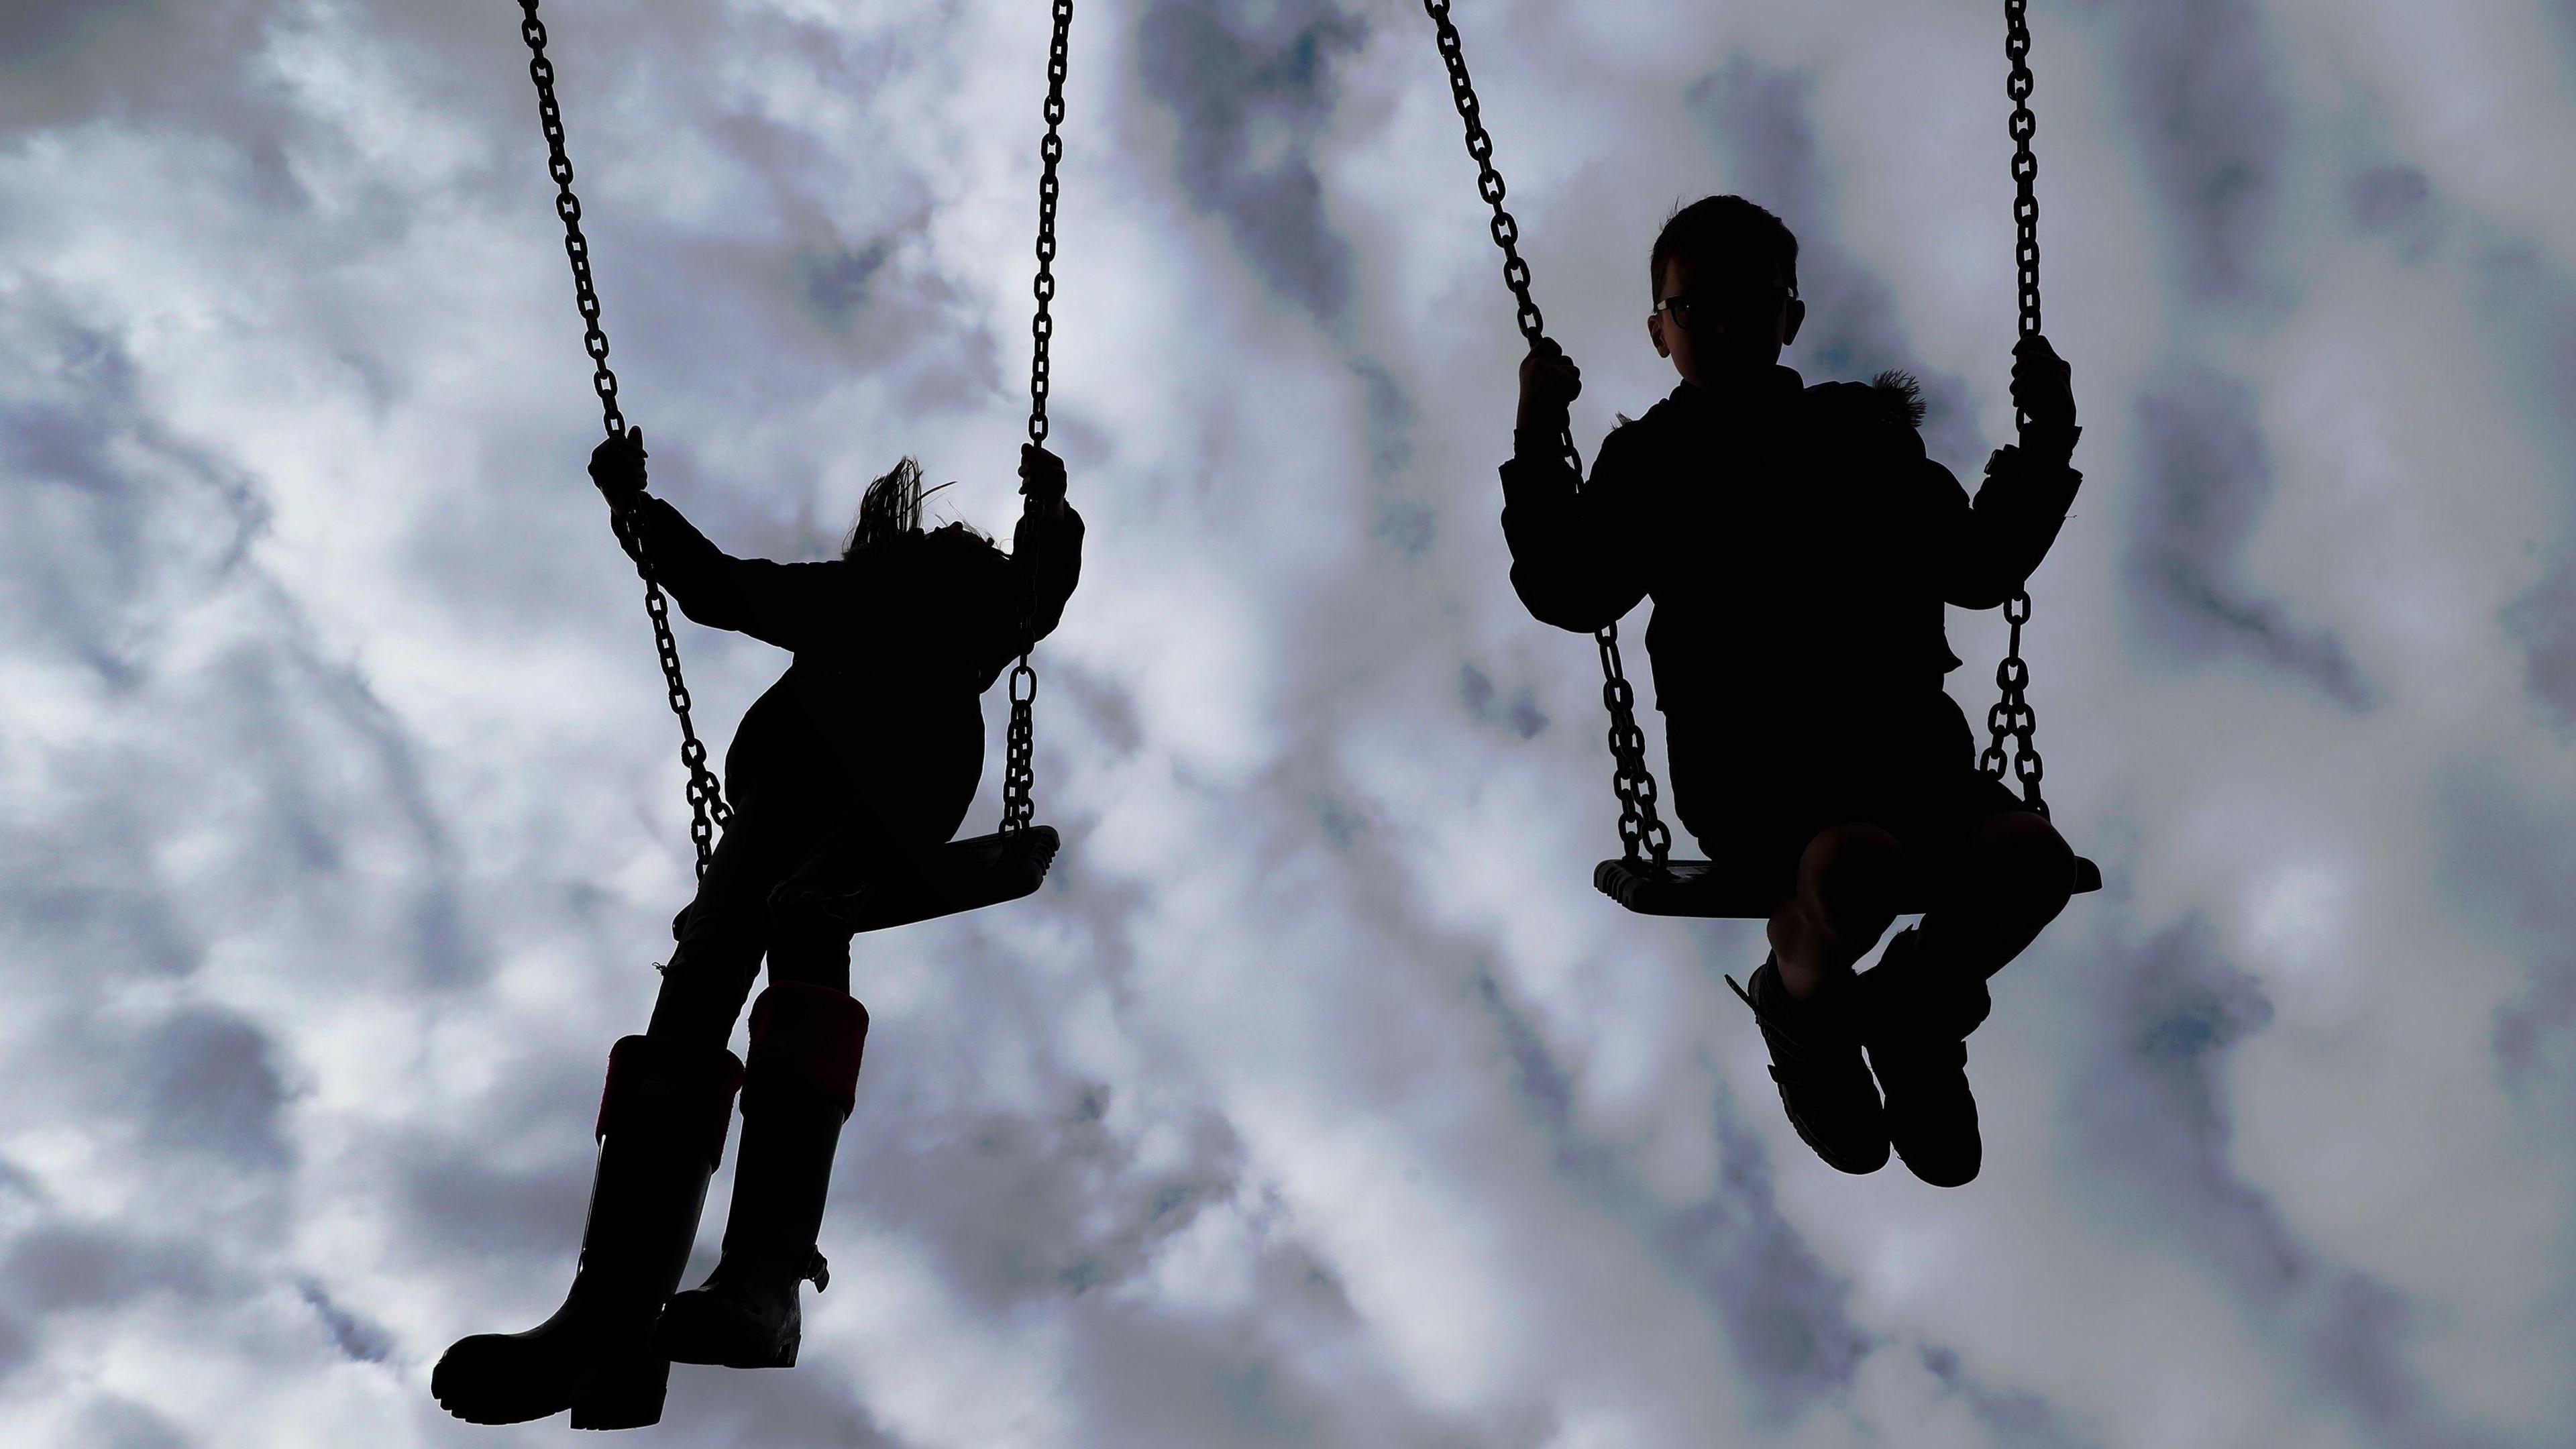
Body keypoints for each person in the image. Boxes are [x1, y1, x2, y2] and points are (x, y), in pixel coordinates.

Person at [433, 431, 1082, 1428]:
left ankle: (764, 1280)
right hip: (774, 813)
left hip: (892, 801)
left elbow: (1039, 590)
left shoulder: (975, 618)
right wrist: (633, 505)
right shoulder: (844, 601)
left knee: (806, 914)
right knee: (697, 982)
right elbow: (716, 585)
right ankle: (607, 1318)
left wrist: (1048, 513)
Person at [1500, 195, 2080, 1187]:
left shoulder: (1860, 434)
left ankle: (1916, 1014)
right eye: (1693, 310)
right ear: (1658, 332)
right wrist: (1537, 428)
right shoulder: (1652, 462)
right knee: (1856, 868)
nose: (1721, 326)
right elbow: (1570, 588)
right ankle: (1804, 1014)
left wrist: (2046, 441)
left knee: (2034, 864)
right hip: (1754, 768)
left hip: (1907, 754)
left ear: (1789, 318)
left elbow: (1976, 566)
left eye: (1749, 300)